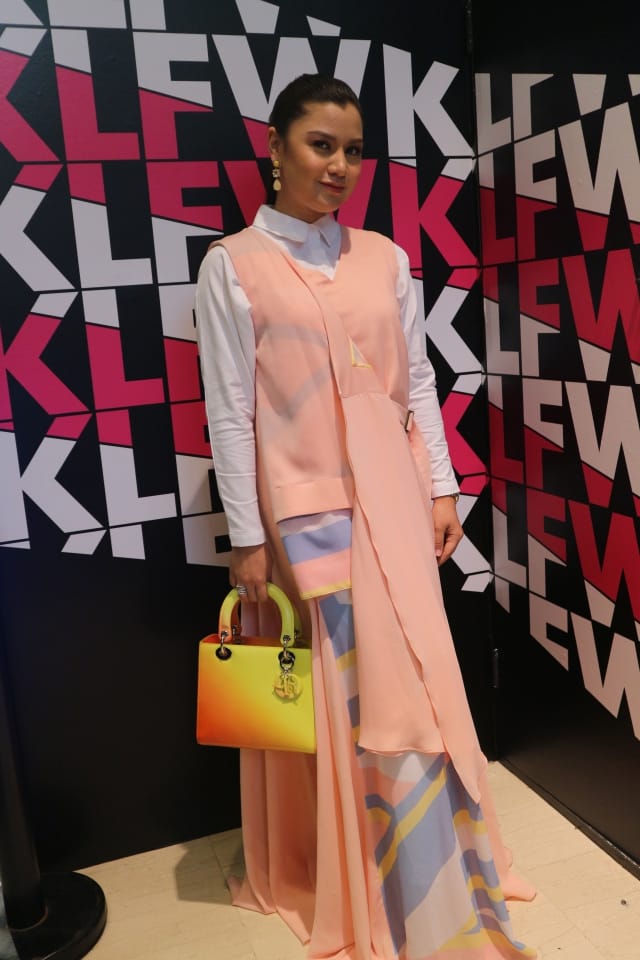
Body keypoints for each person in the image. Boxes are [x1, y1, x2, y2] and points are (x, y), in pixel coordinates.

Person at [196, 73, 536, 960]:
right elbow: (230, 412)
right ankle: (376, 885)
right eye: (321, 144)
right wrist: (246, 539)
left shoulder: (385, 257)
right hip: (308, 516)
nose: (340, 165)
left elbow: (416, 381)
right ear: (276, 148)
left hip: (397, 500)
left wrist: (442, 488)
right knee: (353, 704)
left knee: (420, 681)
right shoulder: (233, 265)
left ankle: (442, 871)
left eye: (353, 150)